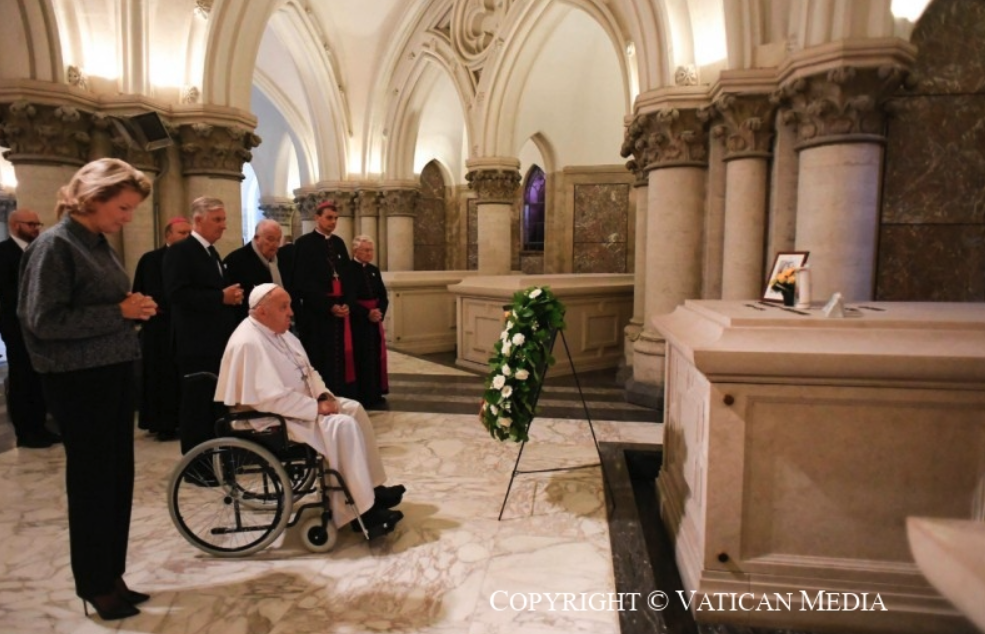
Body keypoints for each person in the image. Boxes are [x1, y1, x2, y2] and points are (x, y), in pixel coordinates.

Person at [17, 158, 158, 621]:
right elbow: (42, 322)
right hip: (79, 382)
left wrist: (132, 309)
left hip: (111, 373)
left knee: (117, 481)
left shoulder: (95, 243)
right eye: (122, 207)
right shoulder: (55, 246)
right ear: (93, 199)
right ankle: (94, 584)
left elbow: (107, 303)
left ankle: (111, 574)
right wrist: (120, 312)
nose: (127, 218)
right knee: (93, 484)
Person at [215, 283, 405, 537]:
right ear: (261, 311)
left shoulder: (280, 332)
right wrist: (316, 408)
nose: (291, 312)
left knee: (354, 409)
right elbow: (267, 400)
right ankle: (362, 512)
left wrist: (324, 395)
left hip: (298, 406)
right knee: (342, 425)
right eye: (284, 307)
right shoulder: (248, 342)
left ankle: (371, 488)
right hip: (270, 418)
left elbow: (309, 371)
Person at [163, 197, 243, 454]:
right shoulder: (181, 251)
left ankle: (215, 455)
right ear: (198, 220)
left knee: (213, 403)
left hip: (215, 340)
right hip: (195, 343)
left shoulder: (211, 252)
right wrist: (221, 297)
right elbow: (177, 295)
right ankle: (197, 463)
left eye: (224, 219)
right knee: (196, 405)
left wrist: (230, 297)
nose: (223, 226)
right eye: (217, 220)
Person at [0, 209, 58, 448]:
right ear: (14, 225)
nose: (36, 228)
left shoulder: (39, 250)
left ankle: (40, 426)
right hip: (16, 325)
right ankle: (26, 431)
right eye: (30, 224)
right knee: (22, 377)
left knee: (38, 377)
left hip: (41, 326)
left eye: (37, 223)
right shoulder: (3, 253)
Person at [131, 217, 191, 441]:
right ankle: (161, 423)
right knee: (160, 376)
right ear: (168, 235)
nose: (186, 237)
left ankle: (181, 420)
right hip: (159, 328)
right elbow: (140, 290)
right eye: (181, 232)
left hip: (183, 326)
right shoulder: (150, 260)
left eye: (188, 233)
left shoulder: (190, 259)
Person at [289, 200, 356, 397]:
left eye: (335, 218)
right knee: (321, 356)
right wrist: (329, 306)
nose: (333, 222)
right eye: (329, 218)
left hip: (340, 311)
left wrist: (347, 304)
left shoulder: (339, 243)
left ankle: (341, 394)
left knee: (340, 357)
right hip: (317, 314)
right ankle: (321, 396)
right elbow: (303, 283)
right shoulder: (304, 244)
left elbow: (348, 278)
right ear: (317, 217)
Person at [342, 235, 389, 409]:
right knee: (360, 357)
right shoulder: (347, 269)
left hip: (374, 321)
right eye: (366, 250)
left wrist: (379, 312)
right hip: (357, 321)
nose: (370, 254)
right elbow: (349, 298)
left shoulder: (374, 270)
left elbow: (383, 296)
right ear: (356, 251)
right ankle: (362, 395)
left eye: (371, 250)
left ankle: (375, 393)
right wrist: (367, 313)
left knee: (375, 356)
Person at [223, 218, 284, 322]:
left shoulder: (281, 259)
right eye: (270, 239)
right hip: (248, 323)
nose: (275, 245)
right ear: (256, 238)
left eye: (278, 240)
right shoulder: (236, 261)